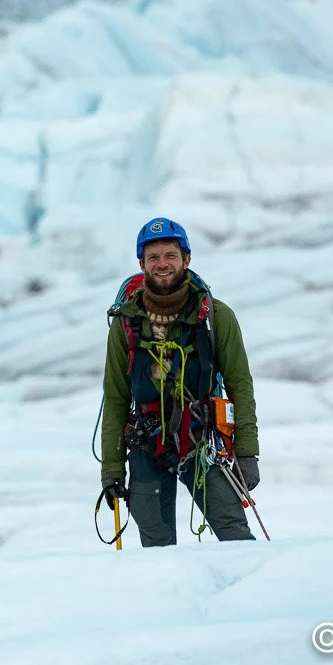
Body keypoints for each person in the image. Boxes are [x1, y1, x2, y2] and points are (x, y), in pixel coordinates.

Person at [100, 217, 260, 546]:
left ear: (186, 259)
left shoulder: (217, 317)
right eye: (154, 257)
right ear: (142, 264)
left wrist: (247, 452)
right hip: (146, 446)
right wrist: (111, 470)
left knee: (236, 537)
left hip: (204, 443)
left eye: (170, 255)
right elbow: (116, 397)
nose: (162, 264)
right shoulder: (126, 324)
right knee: (156, 553)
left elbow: (239, 385)